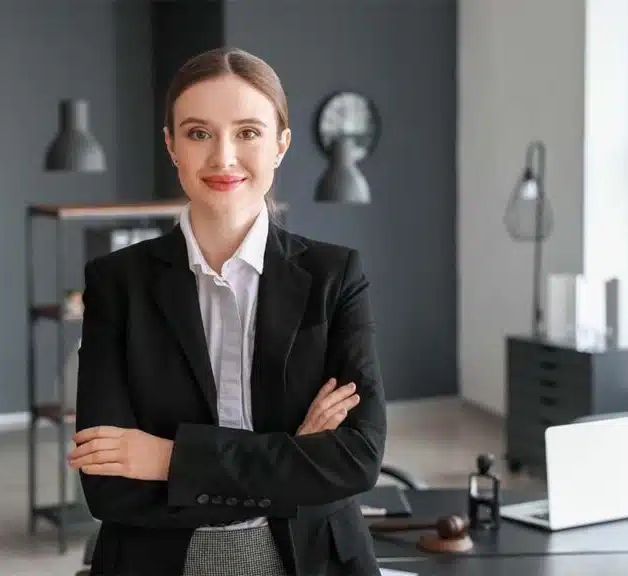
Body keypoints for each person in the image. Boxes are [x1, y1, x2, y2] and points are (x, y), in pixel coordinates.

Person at [67, 46, 387, 576]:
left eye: (248, 132)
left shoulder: (336, 277)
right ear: (171, 145)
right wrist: (290, 459)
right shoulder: (115, 283)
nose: (223, 158)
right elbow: (109, 488)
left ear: (281, 144)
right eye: (198, 133)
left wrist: (170, 460)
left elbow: (356, 459)